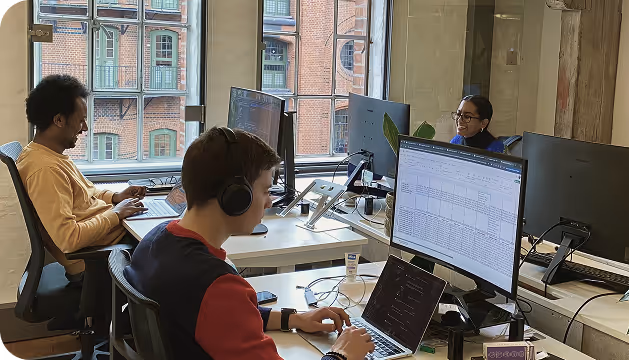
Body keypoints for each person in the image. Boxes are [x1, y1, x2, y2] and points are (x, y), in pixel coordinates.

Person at [124, 127, 375, 360]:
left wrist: (293, 319)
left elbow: (218, 319)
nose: (269, 203)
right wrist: (341, 354)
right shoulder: (217, 286)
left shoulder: (155, 240)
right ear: (236, 198)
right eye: (266, 191)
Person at [18, 74, 147, 280]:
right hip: (96, 260)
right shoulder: (45, 170)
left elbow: (87, 193)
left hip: (109, 242)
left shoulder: (49, 155)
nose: (85, 128)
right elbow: (69, 239)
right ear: (59, 120)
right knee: (174, 247)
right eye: (80, 120)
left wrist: (115, 198)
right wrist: (116, 214)